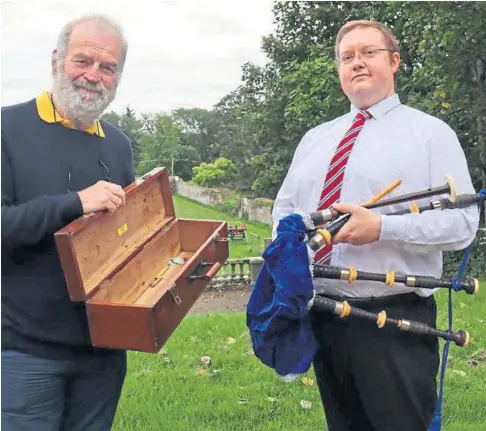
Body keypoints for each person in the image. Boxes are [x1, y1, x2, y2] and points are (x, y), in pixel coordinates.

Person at [271, 20, 480, 431]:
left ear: (395, 61)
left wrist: (383, 227)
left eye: (369, 52)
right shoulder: (315, 138)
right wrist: (291, 245)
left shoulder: (430, 134)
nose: (358, 63)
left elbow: (463, 224)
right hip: (324, 314)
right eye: (347, 57)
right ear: (339, 71)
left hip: (395, 320)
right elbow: (283, 209)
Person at [2, 14, 135, 431]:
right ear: (56, 61)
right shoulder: (7, 128)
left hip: (104, 351)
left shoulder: (117, 145)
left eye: (107, 67)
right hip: (25, 351)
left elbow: (129, 235)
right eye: (83, 61)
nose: (93, 76)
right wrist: (74, 203)